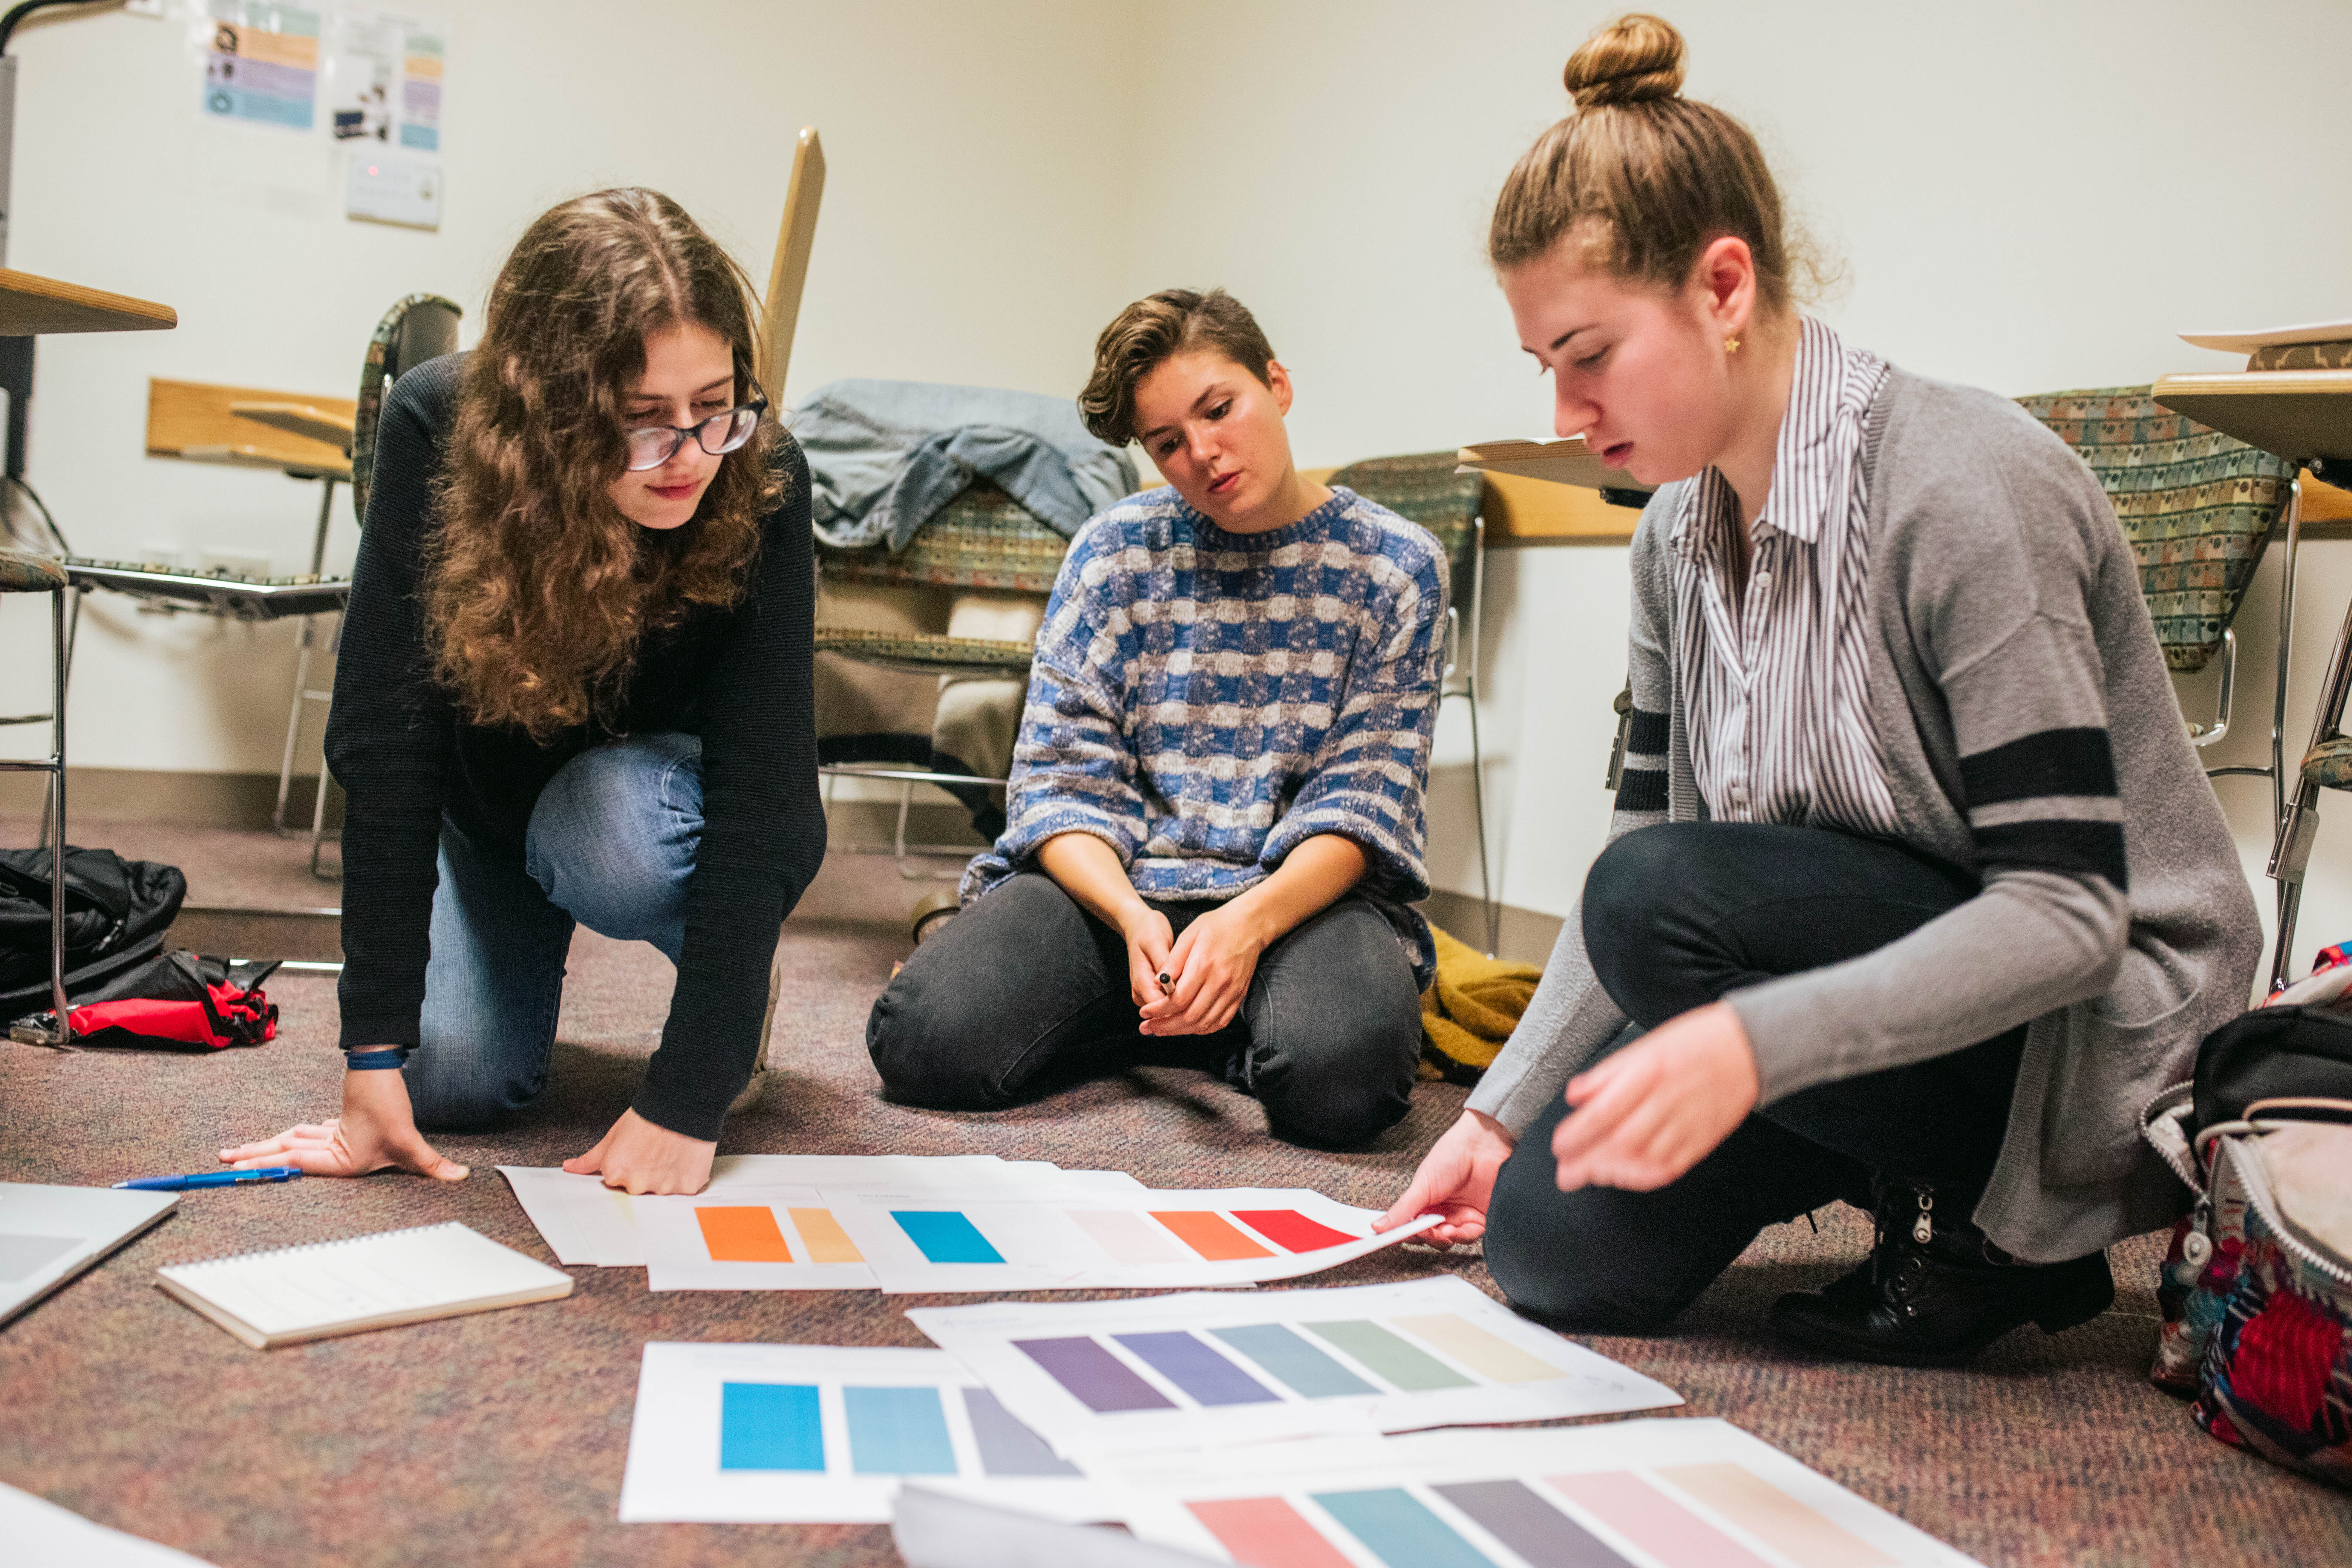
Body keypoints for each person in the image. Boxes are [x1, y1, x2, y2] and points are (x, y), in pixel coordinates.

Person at [1376, 14, 2260, 1365]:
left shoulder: (1964, 487)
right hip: (1840, 994)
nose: (1564, 413)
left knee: (1654, 900)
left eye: (1589, 353)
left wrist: (1750, 1049)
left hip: (2068, 1027)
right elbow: (1648, 831)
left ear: (1724, 290)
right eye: (1542, 367)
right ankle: (1893, 1178)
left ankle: (2002, 1228)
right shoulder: (1674, 534)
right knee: (1553, 1247)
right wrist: (1496, 1116)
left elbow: (2072, 916)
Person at [221, 189, 825, 1196]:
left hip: (655, 812)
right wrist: (370, 1057)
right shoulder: (437, 423)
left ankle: (728, 972)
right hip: (492, 811)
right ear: (550, 414)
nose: (690, 455)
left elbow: (766, 795)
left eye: (714, 407)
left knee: (602, 828)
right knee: (448, 1080)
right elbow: (387, 735)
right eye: (644, 424)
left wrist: (690, 1092)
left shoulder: (760, 471)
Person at [866, 288, 1446, 1148]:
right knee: (922, 1040)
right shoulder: (1113, 551)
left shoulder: (1397, 568)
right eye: (1168, 442)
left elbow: (1365, 802)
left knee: (1346, 1088)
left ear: (1277, 384)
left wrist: (1244, 925)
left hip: (1298, 905)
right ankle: (1191, 1016)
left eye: (1221, 409)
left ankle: (1179, 1021)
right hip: (1118, 897)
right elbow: (1060, 783)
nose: (1204, 454)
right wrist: (1136, 920)